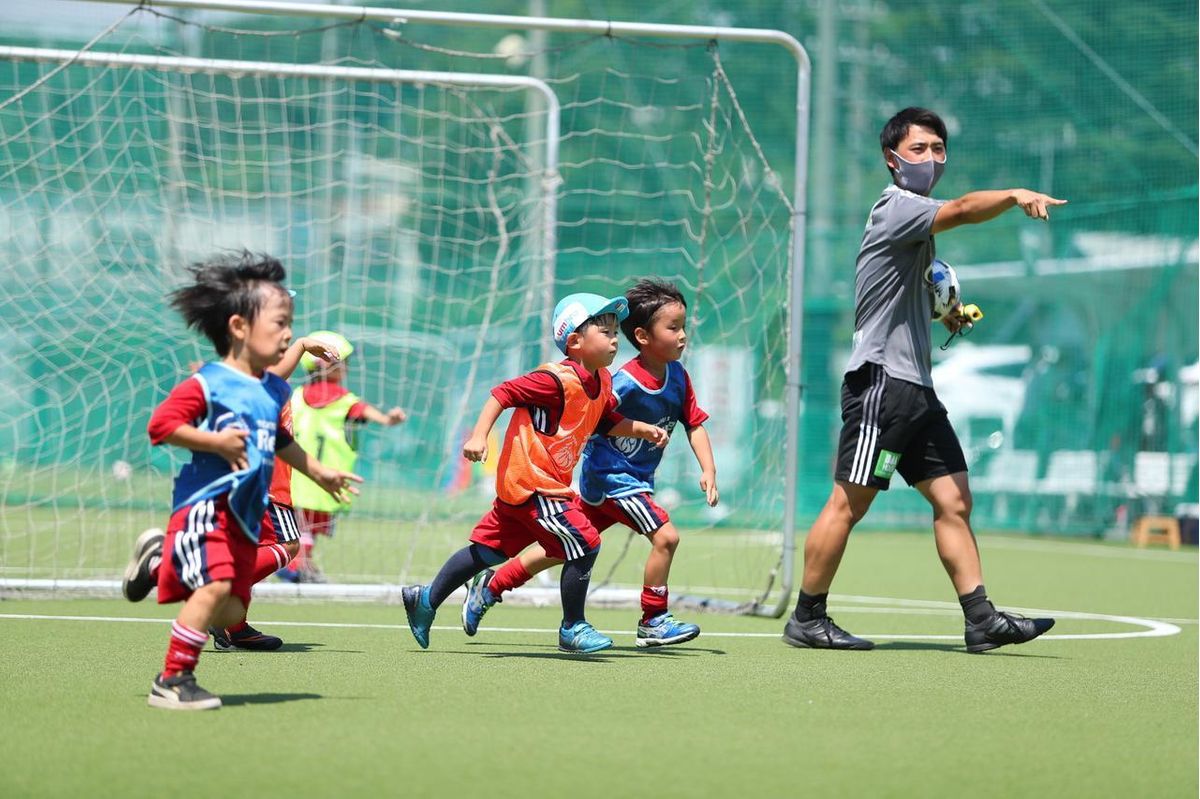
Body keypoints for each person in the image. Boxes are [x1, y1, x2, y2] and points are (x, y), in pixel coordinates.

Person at [784, 107, 1063, 653]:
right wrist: (1011, 196)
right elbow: (960, 209)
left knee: (955, 499)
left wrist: (947, 312)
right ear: (892, 159)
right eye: (918, 149)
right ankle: (807, 618)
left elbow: (917, 290)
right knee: (850, 502)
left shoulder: (916, 228)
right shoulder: (897, 207)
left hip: (914, 391)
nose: (931, 159)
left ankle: (981, 619)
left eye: (938, 149)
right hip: (882, 385)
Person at [126, 252, 360, 710]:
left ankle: (159, 565)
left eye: (290, 323)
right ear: (238, 328)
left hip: (244, 517)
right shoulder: (208, 384)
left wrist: (317, 471)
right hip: (207, 506)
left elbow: (277, 437)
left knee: (229, 608)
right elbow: (162, 426)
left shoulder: (268, 389)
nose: (288, 332)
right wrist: (215, 442)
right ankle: (173, 679)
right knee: (213, 589)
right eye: (279, 324)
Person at [401, 293, 669, 654]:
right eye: (604, 331)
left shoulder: (602, 381)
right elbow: (503, 392)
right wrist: (479, 436)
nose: (614, 338)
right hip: (533, 484)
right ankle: (573, 627)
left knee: (487, 552)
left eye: (614, 331)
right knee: (586, 542)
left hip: (527, 487)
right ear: (574, 341)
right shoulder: (556, 380)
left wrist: (642, 429)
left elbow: (606, 421)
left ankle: (425, 600)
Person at [460, 278, 718, 647]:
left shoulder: (678, 376)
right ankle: (654, 618)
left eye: (682, 326)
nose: (682, 336)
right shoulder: (621, 381)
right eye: (673, 327)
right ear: (643, 337)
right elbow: (596, 419)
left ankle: (490, 587)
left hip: (630, 482)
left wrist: (708, 470)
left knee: (557, 548)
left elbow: (694, 423)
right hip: (612, 478)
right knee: (667, 537)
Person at [122, 333, 340, 654]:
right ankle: (166, 566)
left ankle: (233, 627)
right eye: (276, 325)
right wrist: (303, 346)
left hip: (254, 480)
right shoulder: (257, 376)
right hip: (267, 485)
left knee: (248, 550)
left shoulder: (242, 374)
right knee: (285, 545)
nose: (284, 333)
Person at [283, 331, 407, 582]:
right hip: (328, 477)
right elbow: (373, 415)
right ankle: (295, 566)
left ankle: (300, 563)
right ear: (325, 365)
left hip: (295, 475)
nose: (346, 368)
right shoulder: (345, 400)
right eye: (342, 362)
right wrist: (388, 419)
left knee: (298, 527)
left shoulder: (294, 396)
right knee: (311, 527)